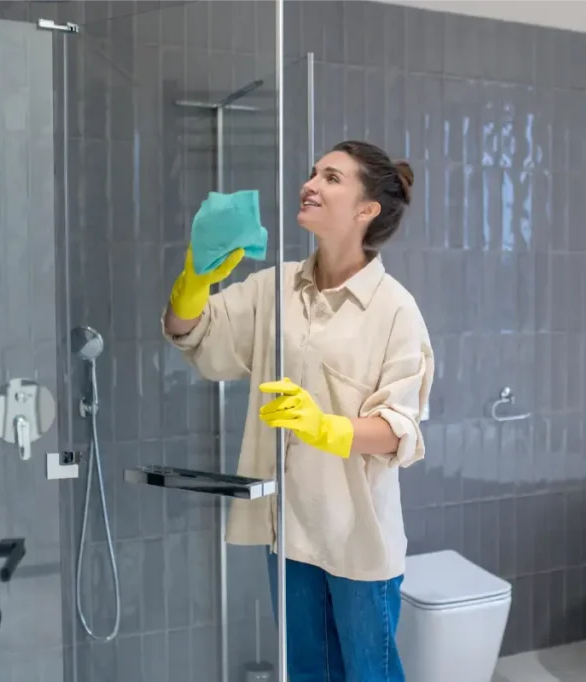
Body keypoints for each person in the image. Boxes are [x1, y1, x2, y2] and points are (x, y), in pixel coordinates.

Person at [163, 140, 434, 682]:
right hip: (289, 530)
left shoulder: (395, 310)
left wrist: (324, 427)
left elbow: (399, 432)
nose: (310, 184)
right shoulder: (276, 287)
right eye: (313, 173)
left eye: (331, 178)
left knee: (369, 675)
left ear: (366, 209)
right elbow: (191, 333)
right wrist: (195, 278)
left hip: (359, 539)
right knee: (307, 672)